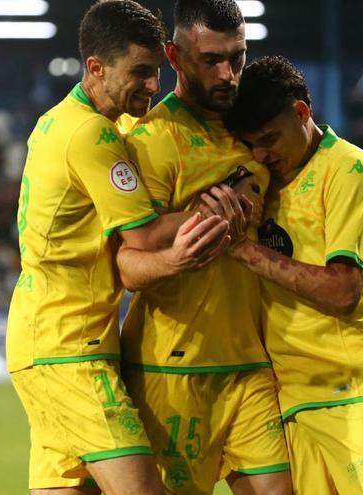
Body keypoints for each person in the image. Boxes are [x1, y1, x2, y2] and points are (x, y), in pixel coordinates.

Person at [6, 2, 232, 494]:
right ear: (96, 68)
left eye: (156, 71)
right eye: (141, 72)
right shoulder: (92, 135)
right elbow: (146, 237)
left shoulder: (57, 121)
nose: (154, 86)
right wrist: (220, 208)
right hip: (70, 351)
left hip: (43, 340)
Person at [221, 55, 363, 495]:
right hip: (294, 401)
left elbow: (343, 290)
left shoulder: (350, 169)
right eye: (251, 143)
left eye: (269, 139)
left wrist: (242, 250)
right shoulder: (261, 182)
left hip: (356, 396)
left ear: (302, 113)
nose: (260, 154)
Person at [119, 1, 292, 493]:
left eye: (237, 57)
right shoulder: (151, 140)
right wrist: (181, 249)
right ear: (174, 57)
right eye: (211, 59)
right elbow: (127, 267)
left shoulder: (254, 127)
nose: (228, 73)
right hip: (171, 371)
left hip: (250, 365)